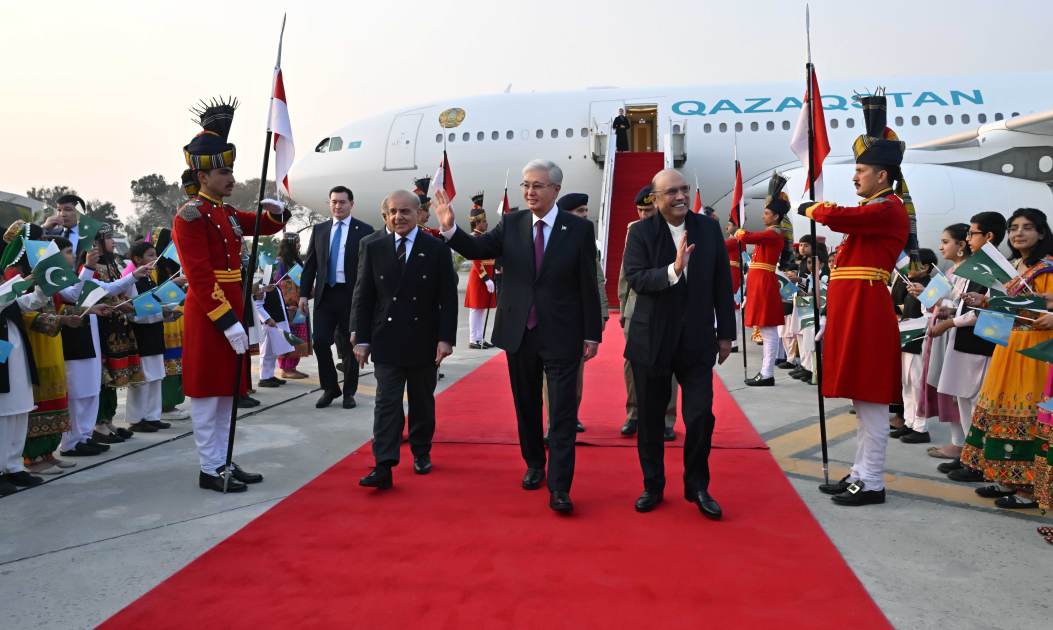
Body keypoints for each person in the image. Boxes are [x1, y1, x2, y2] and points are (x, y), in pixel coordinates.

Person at [434, 159, 603, 513]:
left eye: (538, 185)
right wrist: (450, 230)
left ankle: (560, 486)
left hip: (562, 333)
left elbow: (588, 282)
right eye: (526, 185)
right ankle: (534, 464)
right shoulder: (512, 223)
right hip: (519, 333)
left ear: (556, 189)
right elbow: (478, 250)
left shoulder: (578, 229)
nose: (530, 191)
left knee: (562, 411)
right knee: (526, 405)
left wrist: (592, 333)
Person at [798, 91, 911, 506]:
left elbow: (842, 216)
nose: (855, 177)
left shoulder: (888, 208)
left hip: (867, 312)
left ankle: (873, 481)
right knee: (863, 405)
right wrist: (831, 317)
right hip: (854, 311)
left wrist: (814, 209)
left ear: (882, 175)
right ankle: (861, 473)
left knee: (873, 404)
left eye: (860, 170)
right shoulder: (875, 210)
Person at [173, 96, 290, 493]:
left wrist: (277, 212)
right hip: (211, 314)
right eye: (224, 172)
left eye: (231, 170)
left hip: (232, 311)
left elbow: (263, 225)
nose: (232, 178)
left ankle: (222, 459)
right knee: (209, 396)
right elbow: (200, 277)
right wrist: (226, 321)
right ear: (203, 176)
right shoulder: (191, 215)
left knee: (228, 392)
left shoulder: (222, 211)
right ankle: (209, 468)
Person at [622, 168, 736, 517]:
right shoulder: (640, 232)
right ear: (655, 198)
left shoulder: (708, 229)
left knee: (701, 415)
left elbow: (722, 281)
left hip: (697, 340)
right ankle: (653, 485)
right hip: (651, 340)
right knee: (650, 419)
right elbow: (636, 279)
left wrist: (726, 333)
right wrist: (673, 270)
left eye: (684, 189)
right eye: (671, 191)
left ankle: (697, 486)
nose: (680, 196)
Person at [354, 190, 457, 489]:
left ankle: (421, 451)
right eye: (393, 212)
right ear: (386, 215)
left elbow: (448, 298)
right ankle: (383, 465)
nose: (399, 217)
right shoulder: (374, 248)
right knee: (386, 403)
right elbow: (364, 297)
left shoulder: (436, 248)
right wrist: (362, 339)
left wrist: (446, 339)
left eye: (405, 211)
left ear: (418, 214)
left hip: (424, 338)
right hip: (385, 337)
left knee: (421, 401)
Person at [954, 208, 1053, 508]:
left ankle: (1029, 488)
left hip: (1034, 350)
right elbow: (1012, 305)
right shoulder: (1013, 266)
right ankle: (1007, 478)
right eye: (1013, 228)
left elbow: (1044, 308)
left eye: (1027, 227)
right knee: (999, 408)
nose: (1018, 233)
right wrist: (984, 301)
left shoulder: (1048, 268)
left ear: (1042, 233)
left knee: (1025, 412)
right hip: (1008, 346)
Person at [928, 213, 1003, 469]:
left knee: (976, 402)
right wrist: (951, 312)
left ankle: (977, 462)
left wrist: (949, 323)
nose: (968, 238)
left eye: (972, 234)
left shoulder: (994, 268)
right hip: (963, 342)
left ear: (988, 236)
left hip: (980, 344)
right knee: (963, 398)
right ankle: (970, 457)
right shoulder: (979, 265)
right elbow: (969, 305)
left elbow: (990, 310)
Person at [59, 237, 146, 458]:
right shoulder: (57, 278)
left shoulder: (75, 275)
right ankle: (70, 442)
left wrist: (134, 275)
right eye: (67, 251)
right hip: (74, 338)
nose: (72, 255)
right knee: (77, 391)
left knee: (91, 389)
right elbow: (75, 294)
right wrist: (88, 268)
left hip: (90, 335)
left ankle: (83, 437)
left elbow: (109, 288)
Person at [297, 186, 374, 409]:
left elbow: (370, 267)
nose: (337, 206)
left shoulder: (365, 230)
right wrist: (303, 294)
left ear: (351, 204)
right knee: (320, 341)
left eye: (342, 202)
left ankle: (349, 392)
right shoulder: (320, 229)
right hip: (325, 295)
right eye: (334, 202)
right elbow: (310, 264)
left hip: (352, 296)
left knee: (351, 346)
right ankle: (330, 387)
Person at [540, 192, 608, 440]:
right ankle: (553, 423)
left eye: (586, 210)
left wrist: (601, 312)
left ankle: (569, 416)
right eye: (580, 211)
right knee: (549, 378)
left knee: (574, 378)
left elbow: (596, 280)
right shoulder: (544, 238)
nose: (586, 214)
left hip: (573, 321)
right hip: (544, 319)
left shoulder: (583, 237)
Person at [897, 227, 971, 444]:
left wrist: (933, 299)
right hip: (936, 335)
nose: (941, 247)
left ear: (961, 245)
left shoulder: (970, 272)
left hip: (952, 335)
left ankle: (956, 443)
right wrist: (924, 295)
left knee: (954, 391)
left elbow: (963, 307)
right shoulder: (949, 272)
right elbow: (931, 306)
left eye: (946, 242)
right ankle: (914, 424)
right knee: (912, 383)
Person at [620, 186, 680, 439]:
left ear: (658, 205)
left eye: (647, 210)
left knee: (669, 362)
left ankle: (667, 418)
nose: (643, 215)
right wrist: (622, 305)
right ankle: (634, 414)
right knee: (633, 363)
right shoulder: (635, 230)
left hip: (668, 304)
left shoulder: (676, 230)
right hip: (636, 305)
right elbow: (626, 270)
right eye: (639, 210)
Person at [735, 171, 790, 386]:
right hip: (760, 285)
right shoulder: (770, 233)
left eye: (766, 213)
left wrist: (738, 230)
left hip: (764, 285)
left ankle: (767, 373)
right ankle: (766, 372)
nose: (763, 216)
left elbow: (746, 236)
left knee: (768, 331)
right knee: (767, 330)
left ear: (776, 217)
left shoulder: (773, 234)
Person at [0, 283, 50, 495]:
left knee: (19, 413)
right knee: (3, 419)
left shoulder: (9, 298)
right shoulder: (5, 296)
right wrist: (17, 284)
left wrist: (42, 284)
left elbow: (34, 301)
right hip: (3, 365)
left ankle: (13, 467)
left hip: (17, 364)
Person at [124, 241, 178, 433]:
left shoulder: (150, 281)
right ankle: (136, 419)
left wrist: (169, 314)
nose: (155, 259)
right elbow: (134, 313)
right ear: (137, 259)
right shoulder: (132, 282)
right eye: (150, 255)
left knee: (156, 377)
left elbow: (155, 307)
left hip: (154, 334)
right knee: (142, 379)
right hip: (141, 337)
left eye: (155, 255)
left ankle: (152, 416)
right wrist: (161, 314)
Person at [889, 249, 936, 436]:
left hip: (919, 341)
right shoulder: (912, 285)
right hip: (908, 340)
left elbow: (931, 315)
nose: (907, 268)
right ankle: (909, 423)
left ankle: (920, 428)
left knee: (917, 386)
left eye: (912, 264)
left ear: (925, 267)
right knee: (907, 384)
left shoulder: (930, 286)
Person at [147, 227, 190, 420]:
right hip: (163, 323)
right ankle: (164, 406)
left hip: (177, 320)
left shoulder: (172, 266)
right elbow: (151, 295)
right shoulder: (153, 269)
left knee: (178, 365)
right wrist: (174, 284)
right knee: (166, 366)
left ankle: (171, 404)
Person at [276, 232, 312, 380]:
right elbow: (276, 283)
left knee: (298, 334)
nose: (299, 245)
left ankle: (293, 367)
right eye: (297, 242)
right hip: (288, 305)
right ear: (290, 244)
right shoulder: (280, 262)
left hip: (299, 305)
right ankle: (286, 368)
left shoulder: (295, 261)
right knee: (289, 334)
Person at [465, 193, 496, 349]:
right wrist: (486, 278)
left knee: (481, 309)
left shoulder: (483, 236)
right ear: (476, 223)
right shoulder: (474, 237)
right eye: (484, 221)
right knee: (475, 310)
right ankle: (473, 339)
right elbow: (477, 260)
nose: (487, 223)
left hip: (487, 276)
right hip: (479, 277)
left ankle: (480, 338)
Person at [724, 217, 744, 352]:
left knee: (734, 309)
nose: (727, 227)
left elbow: (717, 245)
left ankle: (733, 342)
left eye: (729, 224)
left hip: (733, 277)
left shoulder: (733, 241)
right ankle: (732, 341)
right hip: (733, 276)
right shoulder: (737, 241)